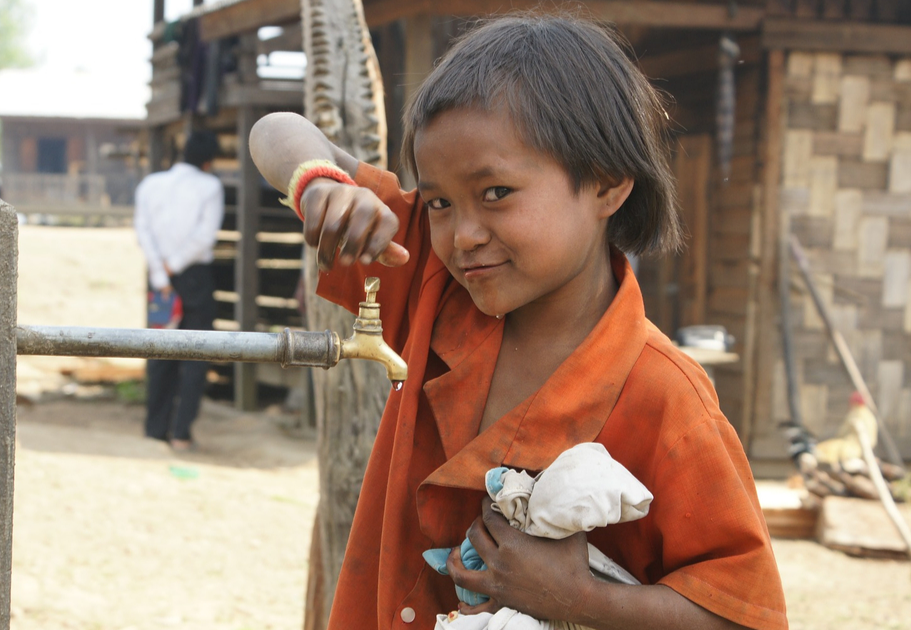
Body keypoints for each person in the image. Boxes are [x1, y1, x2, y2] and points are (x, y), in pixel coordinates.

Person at [248, 15, 786, 630]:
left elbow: (744, 618)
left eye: (496, 192)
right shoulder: (428, 278)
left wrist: (581, 600)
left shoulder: (667, 400)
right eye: (439, 202)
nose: (463, 235)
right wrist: (320, 185)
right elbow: (277, 131)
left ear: (608, 183)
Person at [134, 131, 224, 452]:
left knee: (159, 350)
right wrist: (173, 265)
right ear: (208, 162)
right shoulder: (210, 187)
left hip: (159, 281)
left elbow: (142, 229)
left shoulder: (150, 184)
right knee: (197, 353)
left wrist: (160, 270)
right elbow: (204, 236)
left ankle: (154, 429)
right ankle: (181, 433)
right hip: (194, 277)